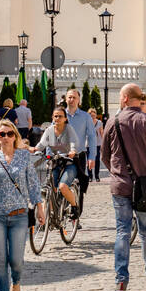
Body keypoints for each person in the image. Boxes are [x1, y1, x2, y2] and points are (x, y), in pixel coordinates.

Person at [101, 82, 146, 291]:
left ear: (124, 98)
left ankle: (121, 280)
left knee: (122, 231)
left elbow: (105, 155)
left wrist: (117, 172)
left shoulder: (113, 122)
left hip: (121, 185)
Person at [0, 119, 43, 291]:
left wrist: (39, 207)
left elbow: (33, 184)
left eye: (9, 134)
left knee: (16, 259)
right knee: (0, 259)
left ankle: (16, 282)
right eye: (2, 134)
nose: (6, 137)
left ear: (15, 136)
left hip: (18, 215)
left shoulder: (24, 157)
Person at [34, 105, 80, 208]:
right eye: (55, 116)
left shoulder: (68, 129)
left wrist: (72, 150)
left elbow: (74, 141)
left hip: (69, 162)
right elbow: (41, 144)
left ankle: (74, 206)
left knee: (63, 186)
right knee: (50, 186)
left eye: (60, 116)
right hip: (55, 163)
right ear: (52, 118)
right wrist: (34, 149)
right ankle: (53, 211)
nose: (57, 118)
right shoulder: (49, 130)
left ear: (65, 118)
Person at [64, 86, 98, 221]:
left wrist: (92, 157)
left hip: (79, 155)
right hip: (62, 154)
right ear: (66, 99)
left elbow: (92, 137)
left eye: (74, 97)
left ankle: (76, 215)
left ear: (79, 100)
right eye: (69, 97)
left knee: (78, 184)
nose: (71, 100)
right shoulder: (60, 114)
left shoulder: (85, 117)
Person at [88, 107, 105, 180]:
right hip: (88, 144)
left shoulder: (99, 122)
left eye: (94, 115)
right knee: (89, 160)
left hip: (97, 143)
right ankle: (90, 176)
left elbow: (102, 132)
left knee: (97, 159)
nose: (93, 117)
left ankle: (97, 176)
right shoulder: (86, 122)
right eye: (91, 115)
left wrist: (104, 143)